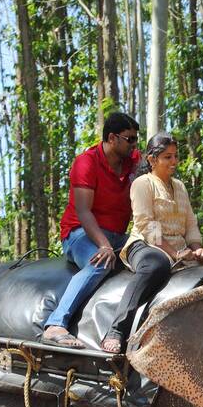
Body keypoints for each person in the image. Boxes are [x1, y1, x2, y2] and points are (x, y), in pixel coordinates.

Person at [99, 133, 203, 354]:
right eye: (168, 157)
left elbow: (190, 222)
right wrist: (175, 253)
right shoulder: (142, 184)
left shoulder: (179, 186)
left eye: (176, 156)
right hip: (146, 245)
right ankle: (116, 329)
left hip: (180, 248)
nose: (175, 162)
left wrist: (197, 247)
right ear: (152, 160)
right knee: (155, 266)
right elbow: (147, 224)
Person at [42, 113, 144, 349]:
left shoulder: (133, 160)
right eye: (129, 139)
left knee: (149, 258)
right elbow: (83, 211)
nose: (134, 145)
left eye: (136, 140)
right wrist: (103, 245)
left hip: (118, 235)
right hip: (81, 233)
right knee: (101, 262)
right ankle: (56, 323)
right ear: (112, 138)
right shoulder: (86, 163)